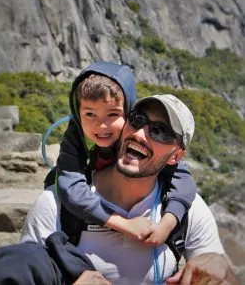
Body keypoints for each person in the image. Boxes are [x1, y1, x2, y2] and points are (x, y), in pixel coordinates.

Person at [17, 94, 237, 284]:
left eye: (160, 132)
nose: (140, 134)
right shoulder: (56, 204)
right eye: (137, 119)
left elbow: (219, 275)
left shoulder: (189, 210)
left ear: (176, 156)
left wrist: (221, 267)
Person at [44, 60, 197, 246]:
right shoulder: (76, 134)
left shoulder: (133, 135)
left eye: (113, 115)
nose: (101, 125)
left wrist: (167, 223)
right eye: (90, 114)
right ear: (78, 113)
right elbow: (71, 188)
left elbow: (183, 179)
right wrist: (123, 224)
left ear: (128, 111)